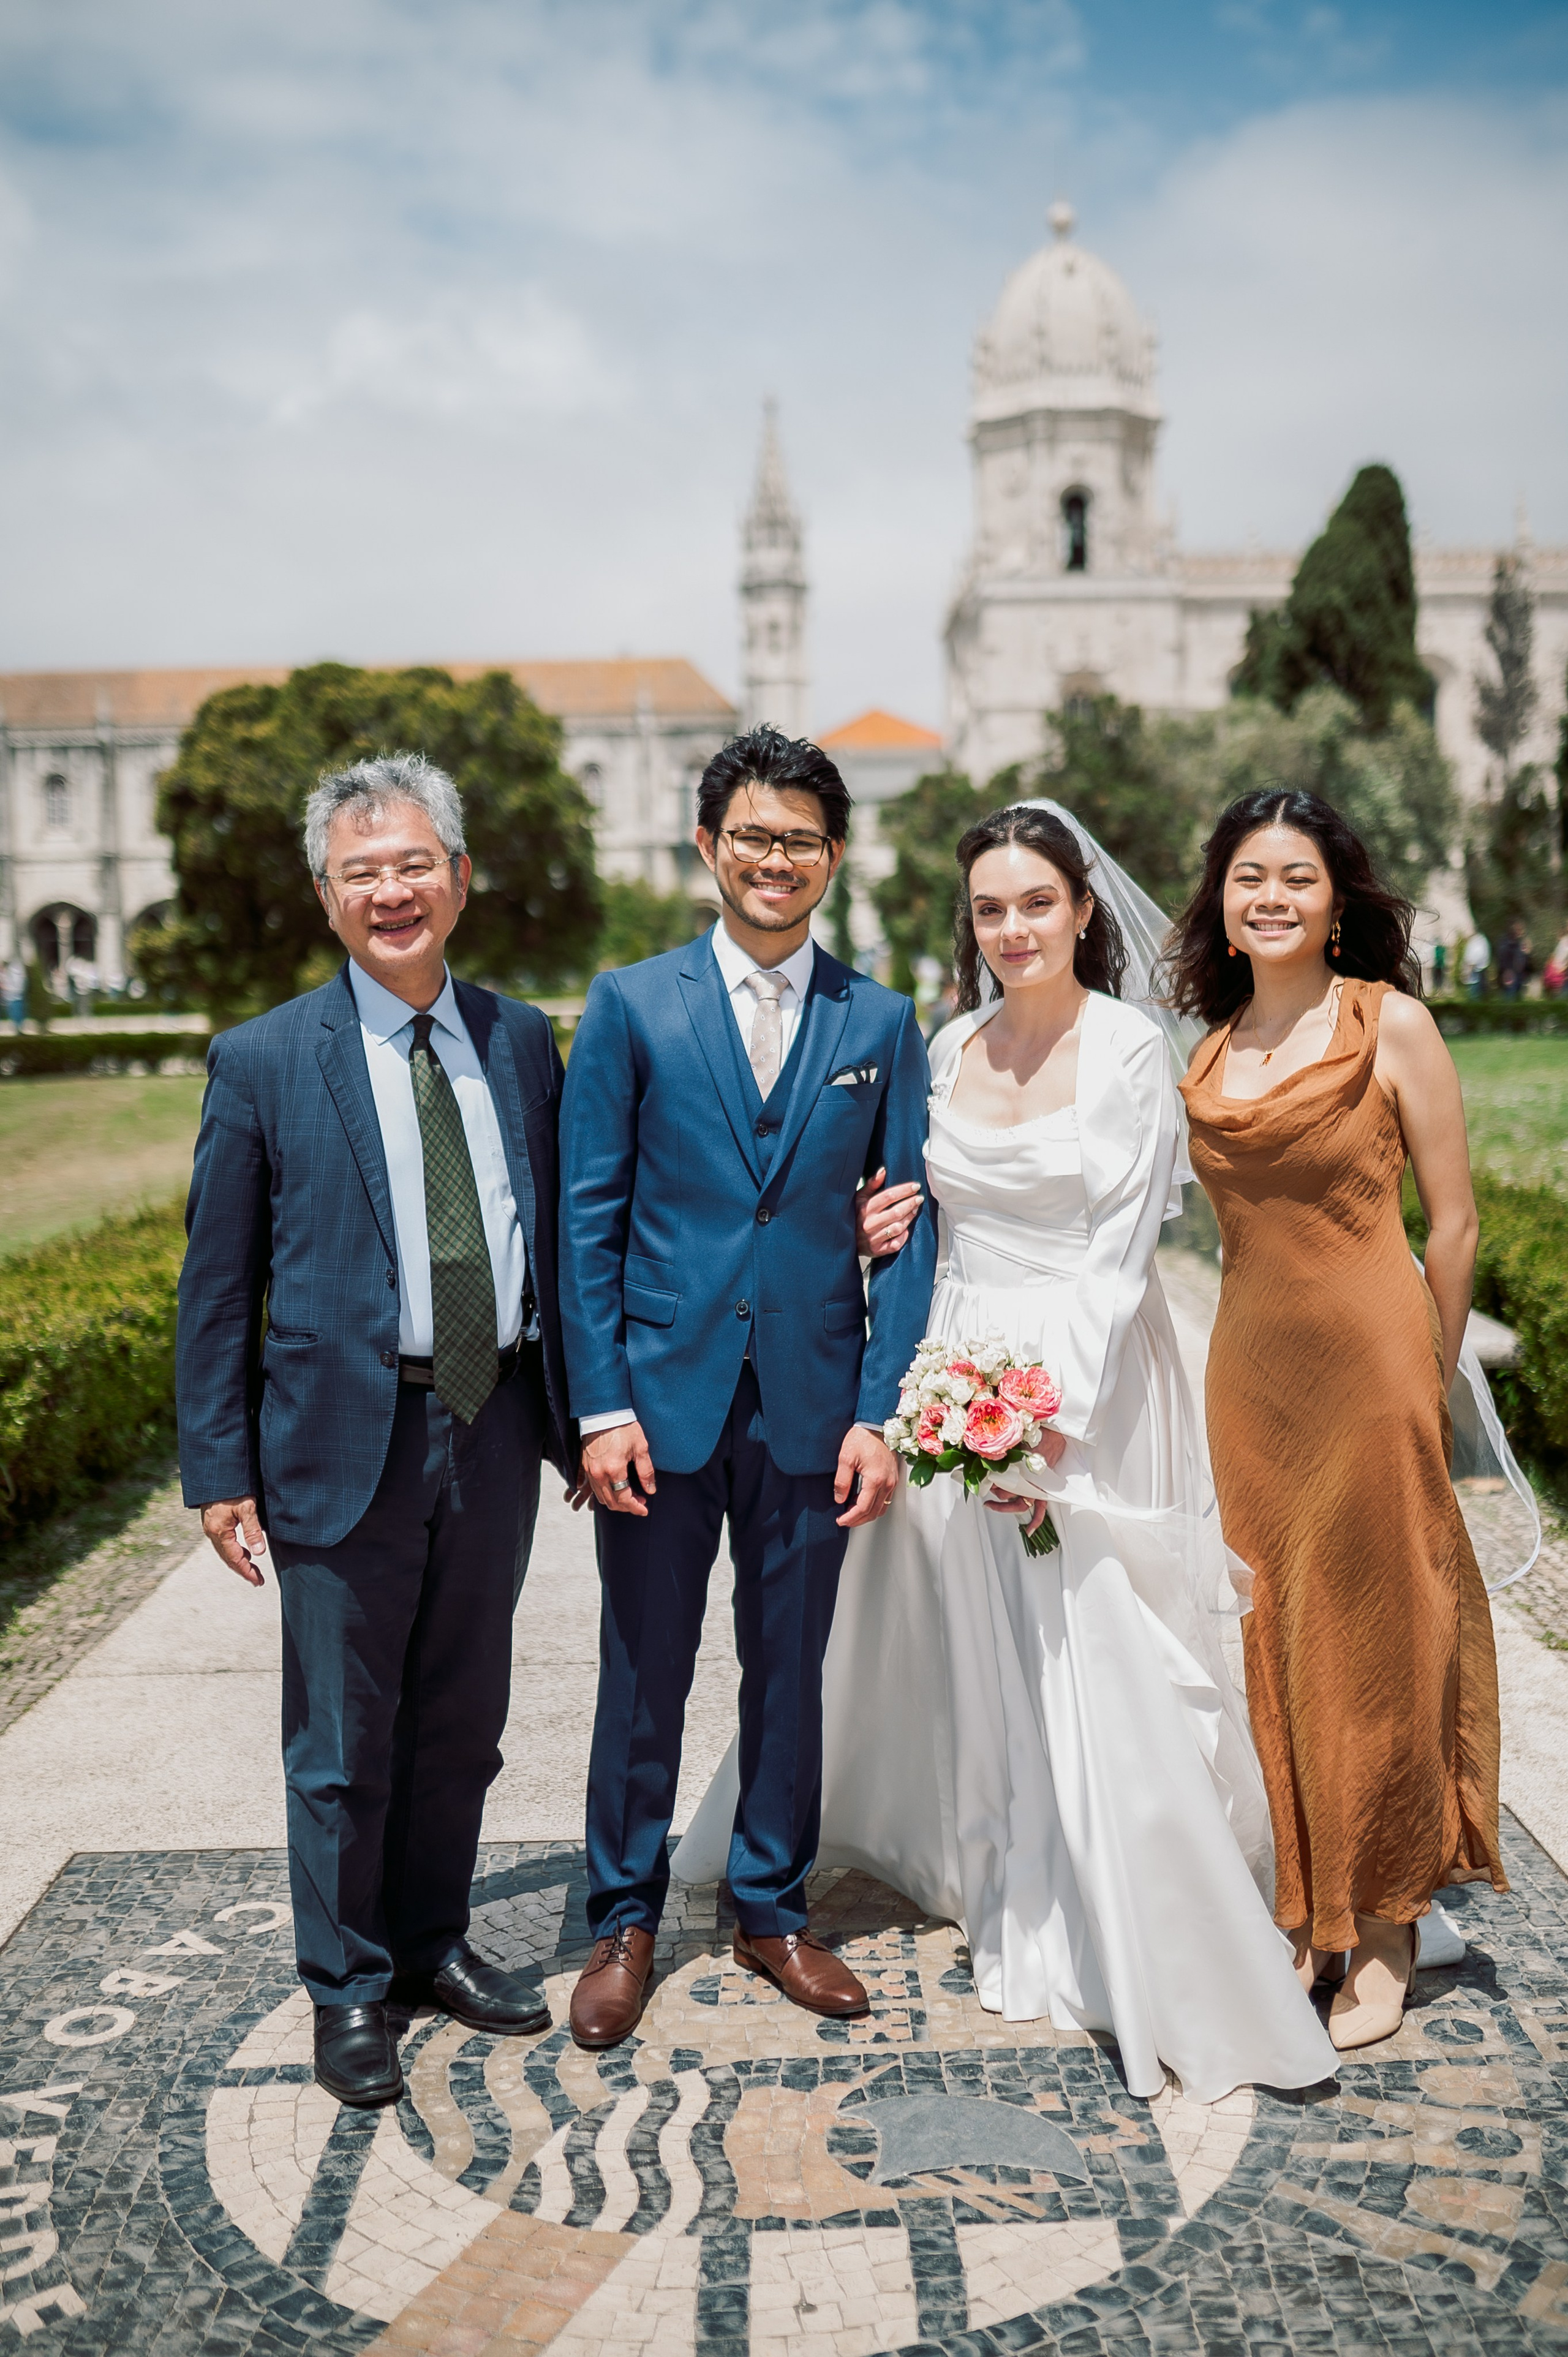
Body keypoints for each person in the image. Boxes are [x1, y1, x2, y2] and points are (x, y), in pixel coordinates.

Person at [680, 802, 1338, 2105]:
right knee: (979, 1633)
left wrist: (1048, 1418)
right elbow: (915, 1206)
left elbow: (1118, 1249)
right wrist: (877, 1230)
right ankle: (1006, 1864)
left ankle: (1125, 1895)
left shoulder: (1131, 1048)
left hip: (1085, 1374)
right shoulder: (948, 1040)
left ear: (1082, 910)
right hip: (957, 1359)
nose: (1013, 928)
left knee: (1100, 1635)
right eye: (988, 907)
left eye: (1035, 902)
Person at [177, 753, 573, 2107]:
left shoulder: (521, 1039)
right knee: (342, 1741)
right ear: (326, 896)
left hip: (495, 1417)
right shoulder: (266, 1058)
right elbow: (218, 1282)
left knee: (463, 1721)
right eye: (363, 872)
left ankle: (430, 1944)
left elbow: (564, 1238)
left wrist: (581, 1421)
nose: (392, 891)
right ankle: (346, 1988)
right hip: (342, 1440)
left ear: (460, 877)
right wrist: (217, 1466)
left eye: (414, 864)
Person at [559, 725, 937, 2050]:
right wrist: (597, 1407)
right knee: (641, 1670)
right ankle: (621, 1919)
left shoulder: (880, 1020)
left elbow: (909, 1224)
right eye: (753, 836)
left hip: (811, 1401)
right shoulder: (628, 1002)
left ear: (834, 857)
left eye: (801, 841)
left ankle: (770, 1907)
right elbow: (585, 1215)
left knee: (787, 1672)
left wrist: (878, 1409)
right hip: (656, 1406)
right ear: (706, 844)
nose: (775, 860)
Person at [1169, 788, 1505, 2052]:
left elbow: (1454, 1221)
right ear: (1219, 897)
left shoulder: (1391, 1024)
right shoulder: (1206, 1047)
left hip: (1370, 1368)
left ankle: (1385, 1923)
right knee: (1273, 1634)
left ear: (1336, 897)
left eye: (1295, 877)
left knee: (1377, 1633)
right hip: (1245, 1378)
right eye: (1247, 875)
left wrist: (1424, 1367)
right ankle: (1306, 1907)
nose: (1269, 896)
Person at [1496, 919, 1531, 1001]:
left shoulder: (1519, 942)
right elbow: (1503, 958)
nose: (1522, 932)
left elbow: (1524, 958)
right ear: (1513, 930)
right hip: (1510, 975)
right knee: (1510, 999)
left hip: (1520, 976)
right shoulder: (1507, 943)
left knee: (1517, 1000)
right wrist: (1507, 971)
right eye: (1519, 929)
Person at [1461, 927, 1490, 997]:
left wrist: (1471, 965)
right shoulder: (1475, 940)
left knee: (1476, 991)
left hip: (1476, 969)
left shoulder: (1479, 941)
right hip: (1473, 968)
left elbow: (1477, 955)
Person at [2, 956, 24, 1033]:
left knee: (17, 1013)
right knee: (16, 1013)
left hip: (14, 997)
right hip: (14, 997)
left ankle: (17, 1028)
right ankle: (17, 1028)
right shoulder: (10, 974)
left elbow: (12, 986)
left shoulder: (11, 973)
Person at [1544, 932, 1568, 997]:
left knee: (1559, 990)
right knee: (1550, 986)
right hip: (1555, 966)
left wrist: (1563, 968)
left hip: (1561, 969)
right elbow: (1556, 953)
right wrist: (1550, 963)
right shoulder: (1564, 940)